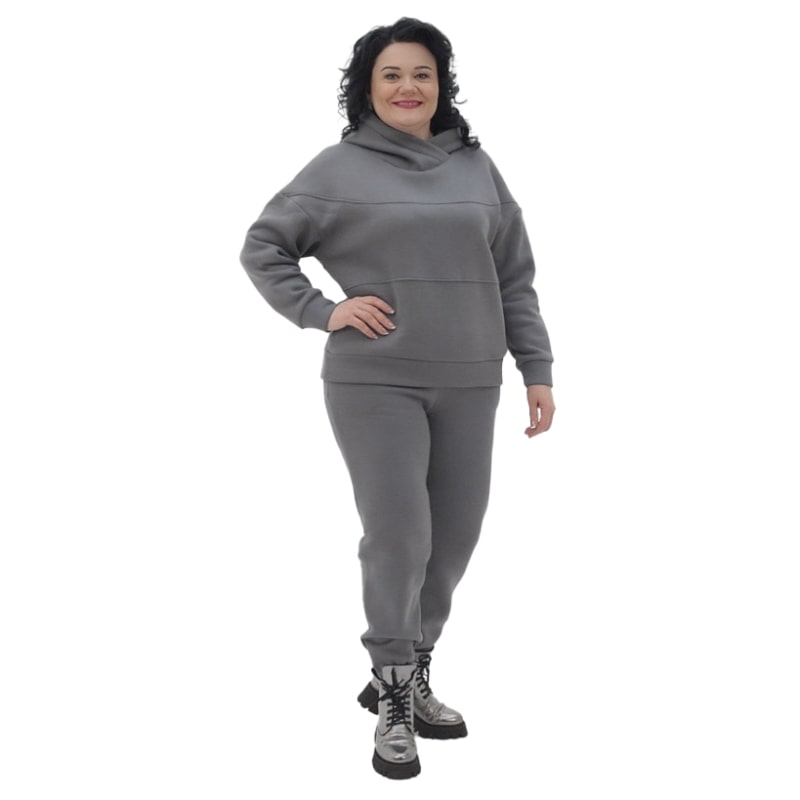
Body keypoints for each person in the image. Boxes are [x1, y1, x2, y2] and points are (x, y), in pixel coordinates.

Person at [239, 17, 555, 780]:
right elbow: (264, 246)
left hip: (471, 381)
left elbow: (514, 277)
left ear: (441, 85)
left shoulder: (476, 168)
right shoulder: (337, 168)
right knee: (400, 537)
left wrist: (536, 368)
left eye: (422, 74)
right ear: (366, 88)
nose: (408, 87)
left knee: (454, 539)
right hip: (375, 381)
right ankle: (392, 694)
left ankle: (413, 668)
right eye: (391, 74)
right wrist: (324, 311)